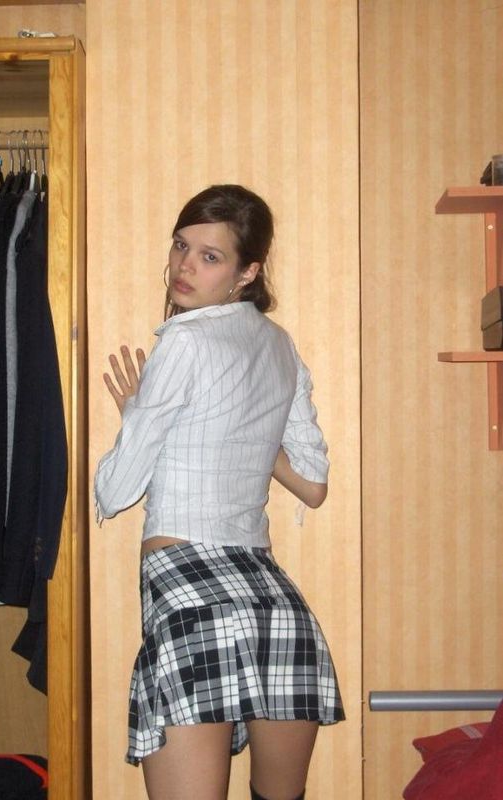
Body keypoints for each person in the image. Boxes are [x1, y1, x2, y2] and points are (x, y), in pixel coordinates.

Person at [94, 185, 344, 800]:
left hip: (189, 591)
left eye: (210, 256)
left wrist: (141, 416)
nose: (184, 266)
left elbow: (116, 490)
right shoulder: (280, 346)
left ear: (247, 272)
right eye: (182, 246)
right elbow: (312, 484)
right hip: (272, 604)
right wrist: (239, 428)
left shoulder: (183, 340)